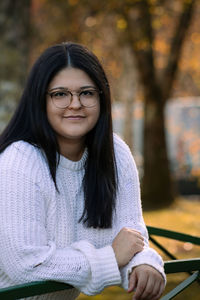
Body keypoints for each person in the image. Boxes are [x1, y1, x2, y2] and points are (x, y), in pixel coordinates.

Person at [0, 42, 166, 300]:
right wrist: (109, 258)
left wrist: (143, 263)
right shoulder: (19, 161)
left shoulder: (116, 153)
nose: (75, 104)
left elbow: (131, 235)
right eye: (60, 94)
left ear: (101, 98)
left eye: (87, 93)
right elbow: (25, 265)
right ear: (40, 100)